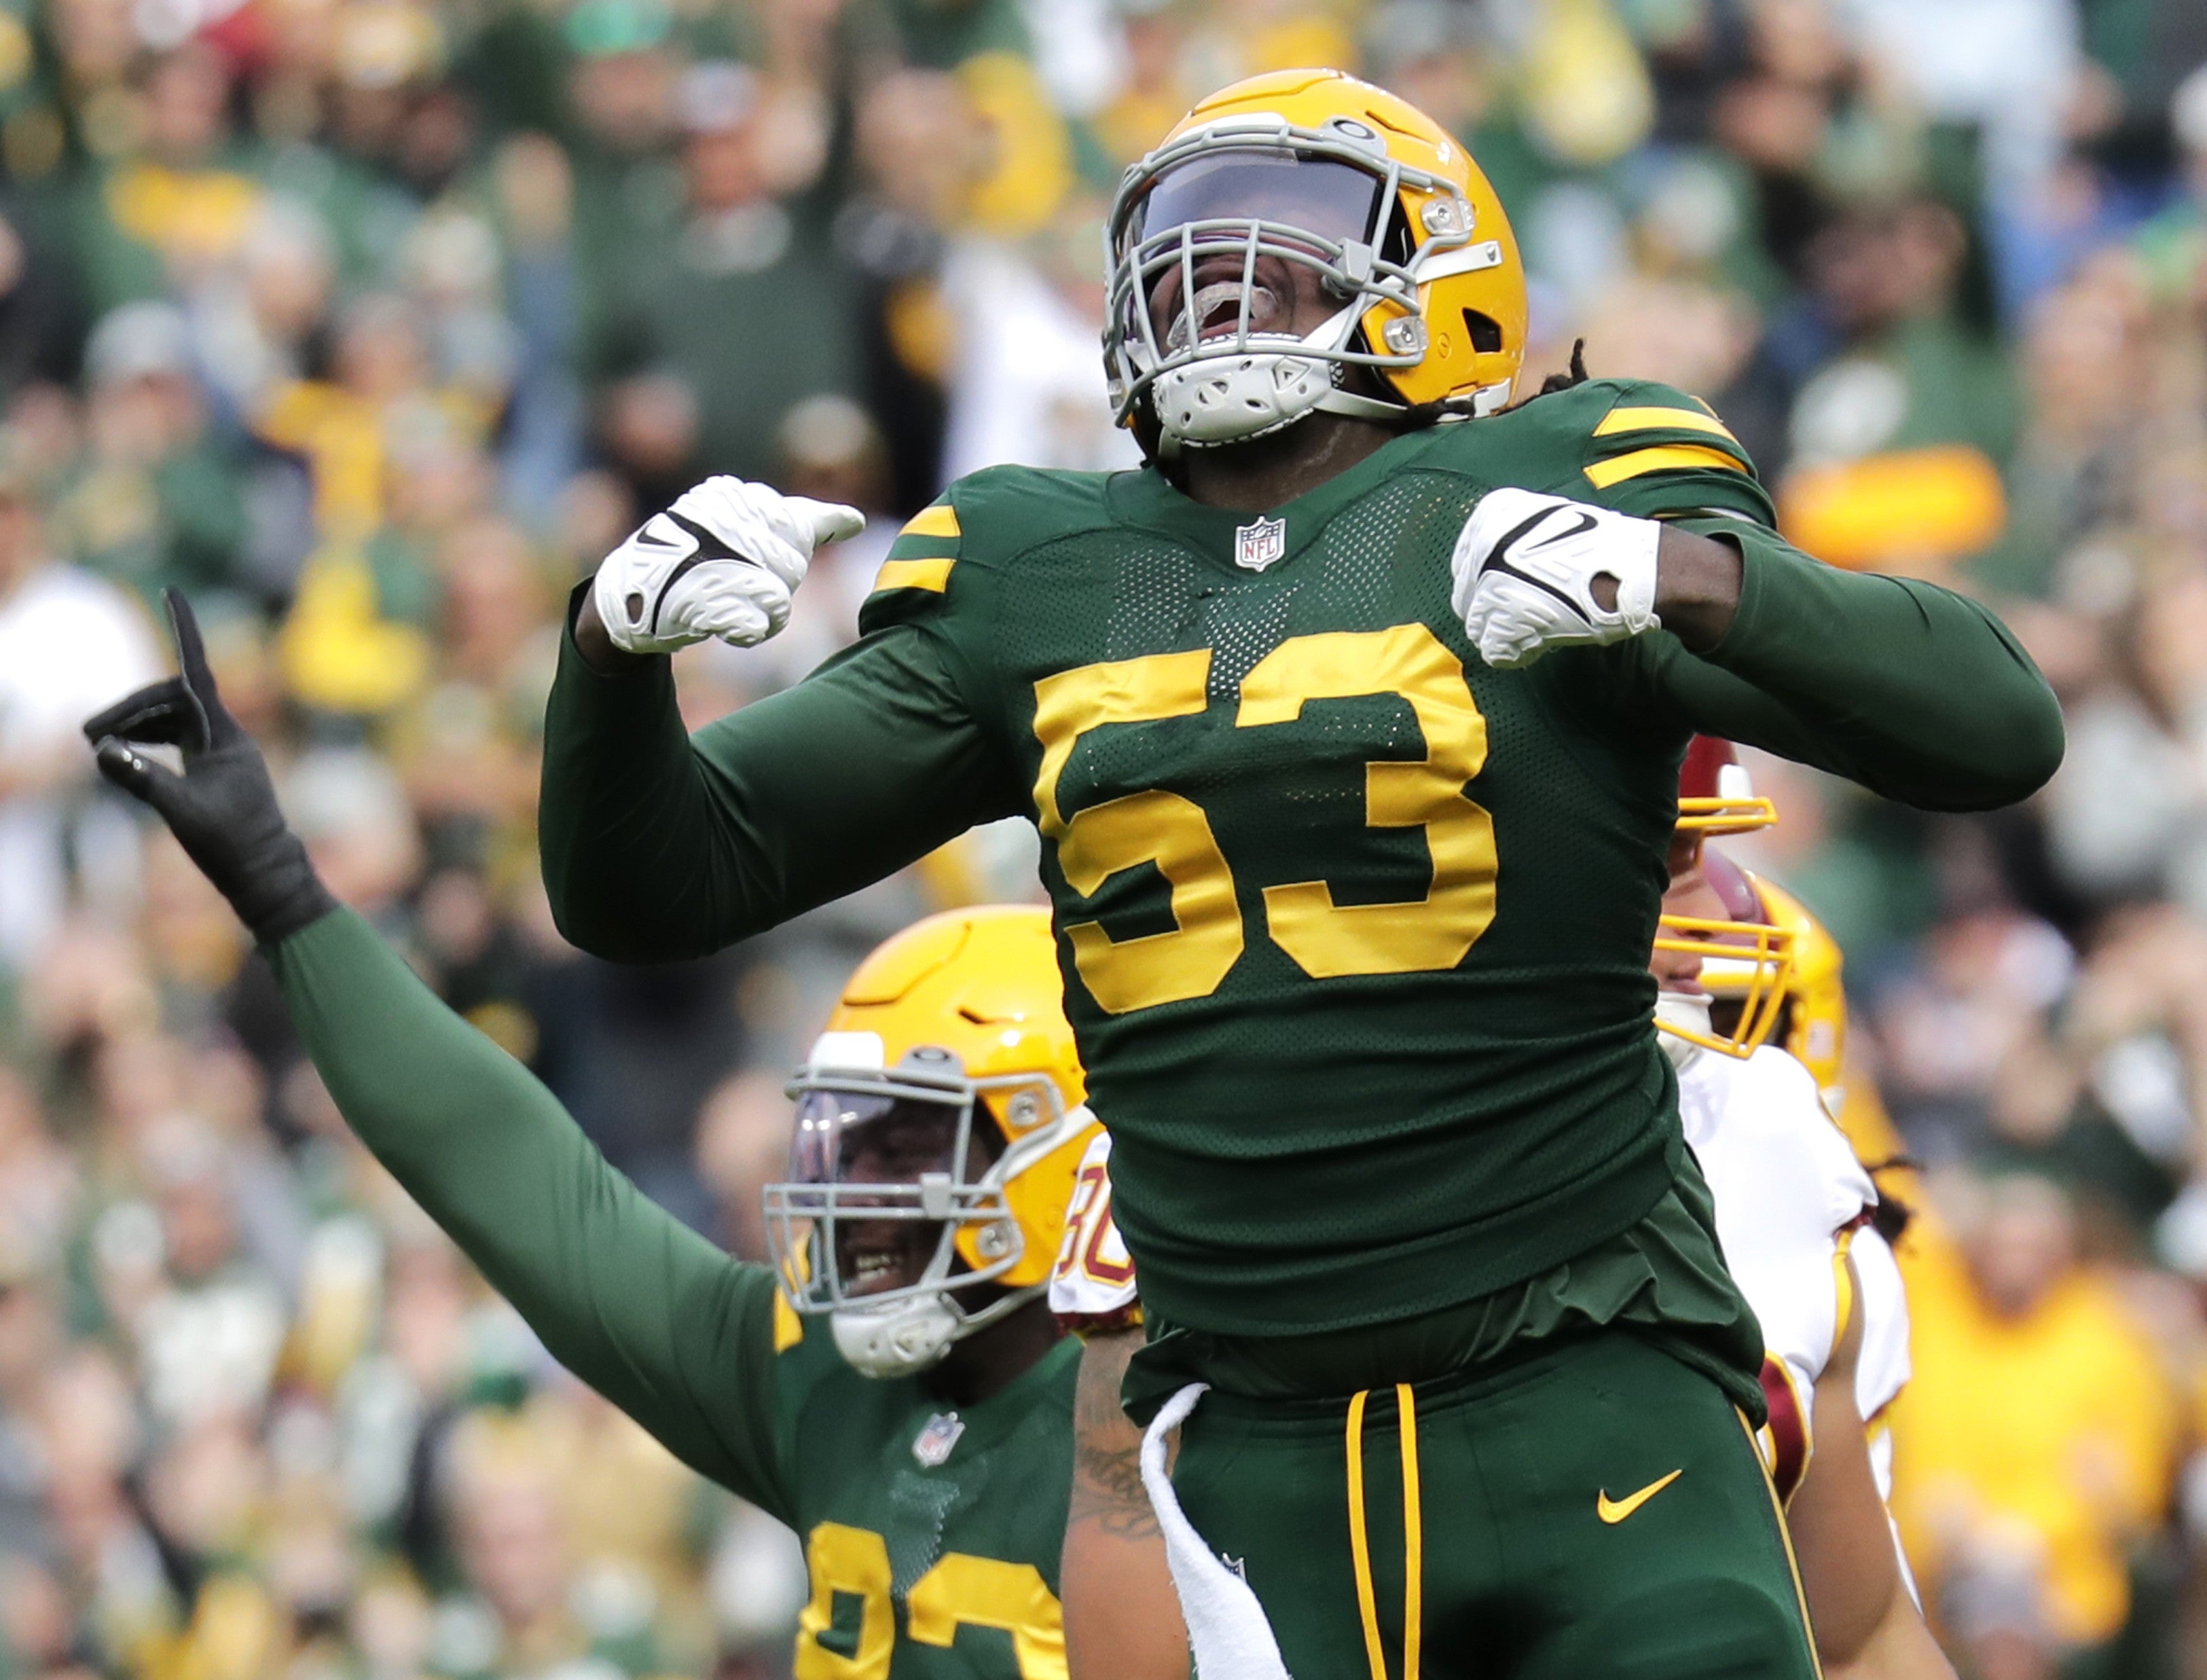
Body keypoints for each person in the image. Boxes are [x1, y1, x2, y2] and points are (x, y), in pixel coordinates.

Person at [534, 68, 2063, 1677]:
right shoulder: (1028, 567)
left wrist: (1682, 580)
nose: (1214, 284)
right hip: (1259, 1450)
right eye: (1181, 249)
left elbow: (1990, 725)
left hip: (1591, 1376)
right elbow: (652, 886)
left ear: (1440, 280)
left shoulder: (1564, 478)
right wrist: (609, 660)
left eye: (1281, 246)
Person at [83, 596, 1122, 1677]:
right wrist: (279, 885)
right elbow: (519, 1174)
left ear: (1066, 1161)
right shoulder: (818, 1382)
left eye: (906, 1148)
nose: (854, 1191)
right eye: (846, 1143)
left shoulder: (1174, 1434)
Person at [1052, 759, 1954, 1680]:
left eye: (1698, 850)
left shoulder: (1767, 1126)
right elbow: (1132, 1557)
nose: (1720, 910)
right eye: (1664, 852)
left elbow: (1861, 1638)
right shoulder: (1210, 1136)